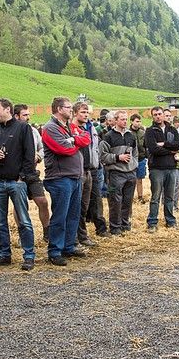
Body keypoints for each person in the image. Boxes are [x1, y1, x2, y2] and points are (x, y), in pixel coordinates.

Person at [0, 98, 37, 270]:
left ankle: (29, 256)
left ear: (8, 109)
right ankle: (4, 254)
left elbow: (30, 155)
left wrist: (22, 177)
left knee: (24, 221)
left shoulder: (23, 128)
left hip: (16, 182)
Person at [41, 96, 91, 266]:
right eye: (68, 107)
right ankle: (55, 251)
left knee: (73, 215)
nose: (71, 110)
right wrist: (76, 141)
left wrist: (73, 139)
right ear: (59, 109)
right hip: (60, 178)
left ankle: (68, 246)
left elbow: (86, 139)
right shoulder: (50, 128)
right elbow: (64, 149)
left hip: (75, 177)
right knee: (60, 216)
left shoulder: (69, 126)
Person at [14, 104, 51, 243]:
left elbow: (42, 148)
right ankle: (22, 235)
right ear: (16, 116)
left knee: (43, 202)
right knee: (20, 206)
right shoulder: (11, 132)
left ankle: (47, 233)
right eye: (25, 115)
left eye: (28, 114)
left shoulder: (33, 131)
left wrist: (38, 156)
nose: (28, 117)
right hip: (17, 174)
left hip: (32, 172)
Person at [144, 106, 179, 232]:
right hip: (157, 168)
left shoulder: (172, 129)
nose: (158, 116)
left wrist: (164, 144)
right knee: (155, 197)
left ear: (163, 114)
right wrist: (171, 151)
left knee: (170, 197)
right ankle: (152, 222)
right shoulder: (150, 131)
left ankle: (170, 221)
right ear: (152, 116)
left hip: (171, 167)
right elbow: (153, 149)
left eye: (159, 114)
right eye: (155, 114)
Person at [99, 109, 138, 235]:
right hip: (116, 173)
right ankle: (115, 227)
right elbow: (102, 156)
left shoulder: (131, 136)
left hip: (130, 173)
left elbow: (135, 153)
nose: (125, 121)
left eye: (126, 119)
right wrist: (117, 157)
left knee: (128, 200)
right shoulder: (108, 136)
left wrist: (134, 165)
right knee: (115, 201)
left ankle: (125, 224)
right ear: (115, 121)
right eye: (122, 119)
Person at [73, 101, 100, 248]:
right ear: (75, 113)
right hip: (77, 171)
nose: (86, 115)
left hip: (89, 170)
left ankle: (82, 235)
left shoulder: (88, 128)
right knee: (75, 207)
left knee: (84, 207)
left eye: (87, 113)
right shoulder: (71, 129)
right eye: (83, 112)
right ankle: (74, 238)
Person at [130, 113, 149, 203]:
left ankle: (140, 197)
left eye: (139, 121)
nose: (139, 123)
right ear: (132, 122)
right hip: (131, 159)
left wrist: (146, 155)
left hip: (141, 158)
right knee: (131, 180)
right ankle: (130, 197)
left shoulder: (142, 132)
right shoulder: (128, 133)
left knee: (140, 179)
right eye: (137, 121)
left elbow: (145, 145)